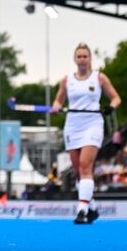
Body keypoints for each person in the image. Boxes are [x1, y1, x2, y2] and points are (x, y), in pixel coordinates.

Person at [51, 42, 121, 224]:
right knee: (78, 172)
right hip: (73, 126)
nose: (82, 59)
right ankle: (93, 208)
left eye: (85, 56)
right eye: (79, 56)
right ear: (75, 59)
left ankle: (81, 210)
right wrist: (56, 108)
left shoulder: (99, 78)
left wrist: (110, 108)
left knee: (85, 166)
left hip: (93, 124)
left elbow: (116, 98)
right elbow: (58, 101)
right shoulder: (67, 80)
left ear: (90, 59)